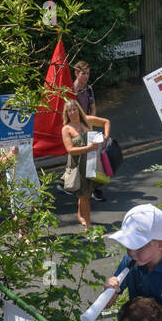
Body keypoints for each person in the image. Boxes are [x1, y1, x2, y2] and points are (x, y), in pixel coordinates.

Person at [61, 98, 110, 229]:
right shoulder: (66, 129)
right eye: (69, 110)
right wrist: (88, 148)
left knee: (86, 194)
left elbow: (106, 122)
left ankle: (80, 216)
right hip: (77, 164)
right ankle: (88, 225)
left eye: (74, 109)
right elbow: (70, 150)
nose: (72, 112)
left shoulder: (87, 120)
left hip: (91, 162)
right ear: (66, 114)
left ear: (78, 109)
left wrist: (105, 138)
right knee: (84, 195)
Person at [71, 61, 107, 203]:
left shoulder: (89, 89)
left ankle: (96, 189)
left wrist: (89, 121)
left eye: (88, 73)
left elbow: (93, 107)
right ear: (76, 73)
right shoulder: (71, 90)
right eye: (83, 73)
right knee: (78, 159)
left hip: (87, 126)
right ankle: (74, 186)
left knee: (93, 158)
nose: (86, 76)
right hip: (75, 129)